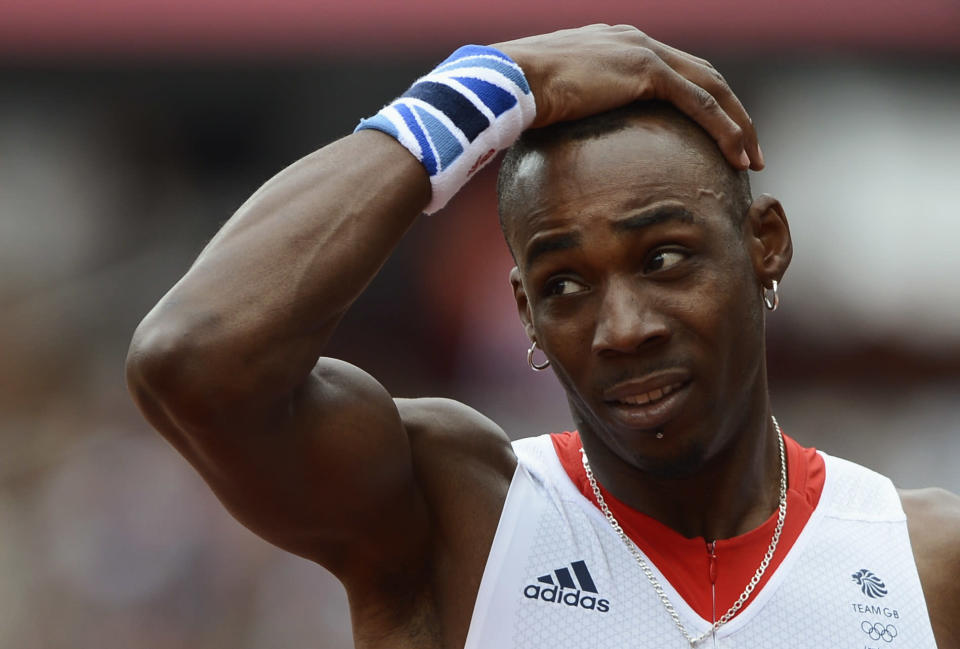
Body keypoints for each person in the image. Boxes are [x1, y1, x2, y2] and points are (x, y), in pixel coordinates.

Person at [125, 24, 960, 648]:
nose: (622, 328)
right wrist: (495, 81)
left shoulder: (926, 563)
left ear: (765, 244)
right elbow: (194, 357)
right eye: (564, 284)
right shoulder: (458, 516)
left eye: (664, 258)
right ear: (524, 311)